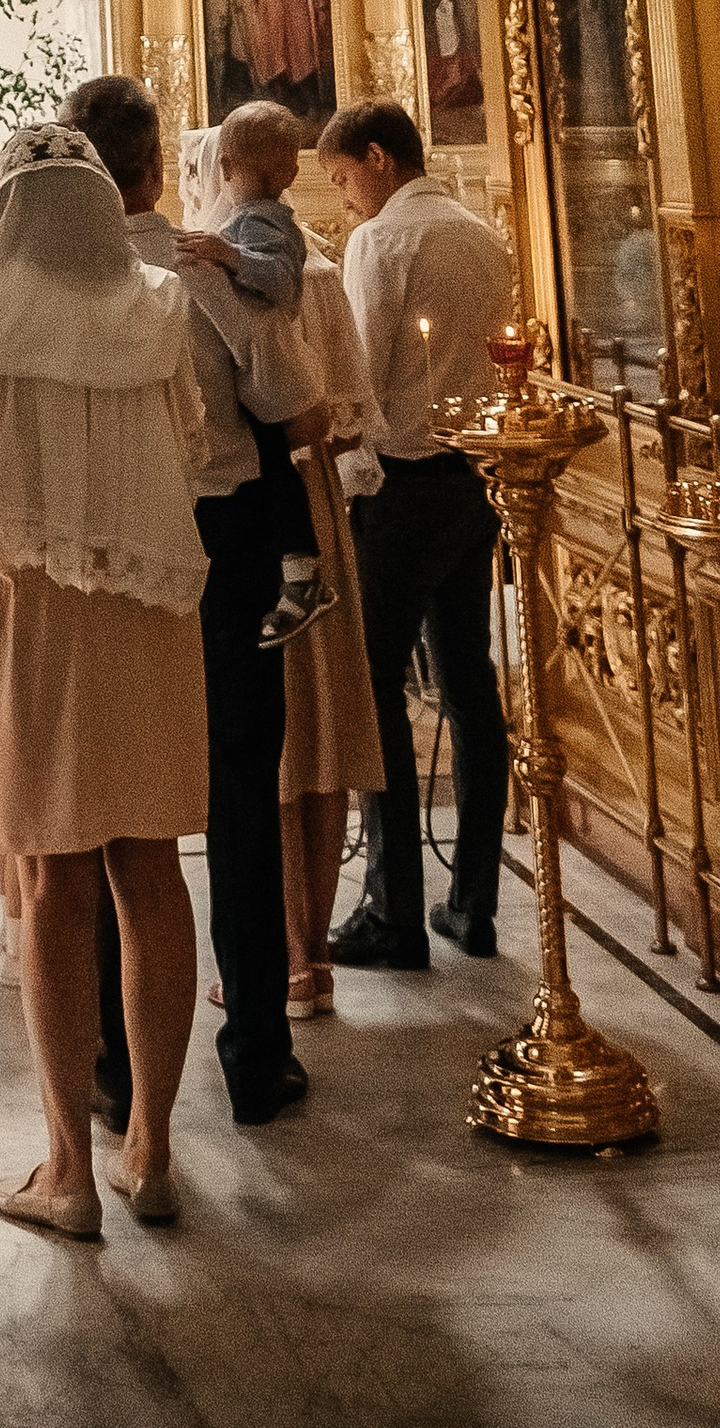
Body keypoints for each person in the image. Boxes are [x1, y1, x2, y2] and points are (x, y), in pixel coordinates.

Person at [0, 134, 208, 1236]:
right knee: (152, 871)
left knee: (51, 887)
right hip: (146, 607)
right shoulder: (162, 306)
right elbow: (191, 444)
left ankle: (66, 1169)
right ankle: (157, 1146)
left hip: (29, 612)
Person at [65, 73, 314, 1130]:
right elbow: (288, 399)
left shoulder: (45, 274)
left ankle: (114, 1064)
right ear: (159, 164)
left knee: (112, 806)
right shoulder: (197, 269)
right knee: (241, 797)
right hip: (222, 544)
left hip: (108, 553)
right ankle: (256, 1051)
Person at [317, 98, 515, 968]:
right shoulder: (484, 233)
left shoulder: (381, 243)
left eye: (343, 178)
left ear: (376, 157)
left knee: (375, 686)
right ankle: (473, 900)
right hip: (476, 477)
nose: (344, 199)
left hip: (401, 485)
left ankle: (394, 909)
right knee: (469, 682)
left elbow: (357, 370)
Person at [277, 225, 385, 1019]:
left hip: (260, 522)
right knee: (324, 731)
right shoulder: (321, 274)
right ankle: (313, 954)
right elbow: (348, 424)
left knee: (278, 738)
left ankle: (284, 962)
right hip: (320, 515)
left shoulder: (221, 280)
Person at [200, 105, 335, 652]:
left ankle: (305, 575)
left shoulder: (264, 222)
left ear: (228, 166)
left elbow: (278, 282)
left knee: (275, 471)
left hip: (269, 378)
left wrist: (225, 254)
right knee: (272, 469)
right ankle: (300, 571)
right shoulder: (257, 218)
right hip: (261, 372)